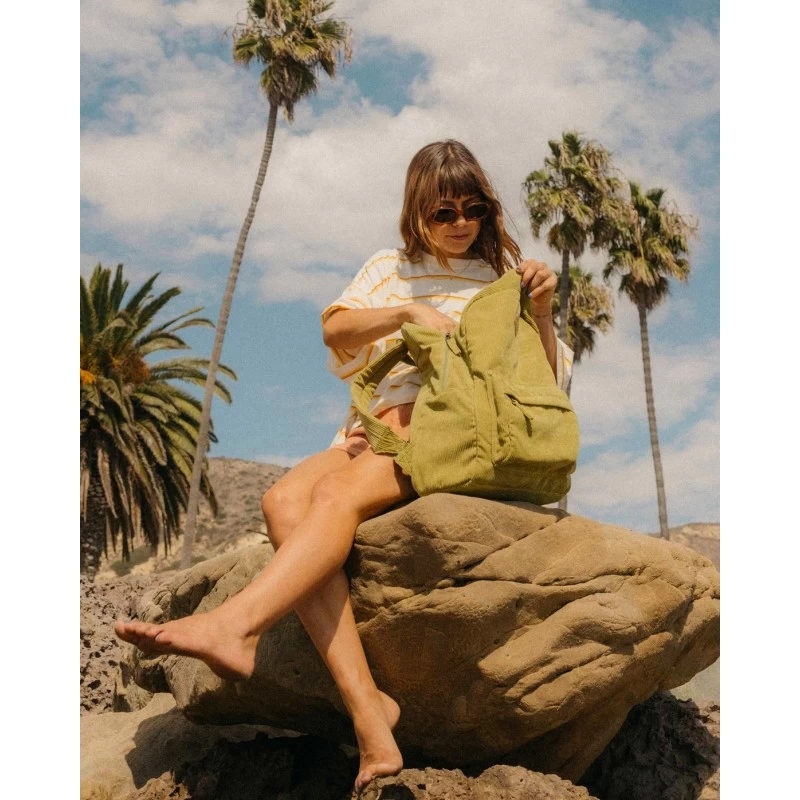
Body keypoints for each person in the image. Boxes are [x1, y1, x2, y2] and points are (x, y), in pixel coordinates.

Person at [114, 139, 574, 794]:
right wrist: (408, 311)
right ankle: (370, 709)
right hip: (368, 432)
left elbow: (546, 385)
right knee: (280, 503)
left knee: (333, 501)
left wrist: (543, 313)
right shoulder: (390, 269)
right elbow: (337, 331)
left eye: (474, 210)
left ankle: (236, 625)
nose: (462, 224)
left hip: (443, 435)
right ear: (417, 212)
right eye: (444, 212)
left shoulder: (502, 282)